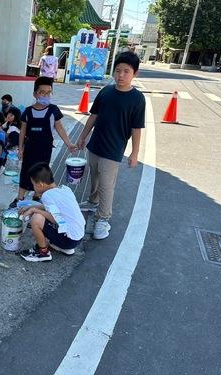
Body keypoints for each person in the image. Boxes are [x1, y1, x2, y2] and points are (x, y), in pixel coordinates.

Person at [76, 51, 145, 240]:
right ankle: (92, 201)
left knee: (107, 185)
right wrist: (83, 136)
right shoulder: (106, 91)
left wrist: (134, 153)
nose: (121, 75)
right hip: (95, 145)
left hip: (114, 150)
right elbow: (94, 116)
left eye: (126, 71)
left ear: (134, 74)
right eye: (117, 71)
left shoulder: (137, 99)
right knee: (95, 177)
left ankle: (103, 219)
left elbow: (136, 128)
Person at [9, 76, 77, 208]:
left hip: (45, 149)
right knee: (25, 172)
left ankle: (37, 197)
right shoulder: (28, 111)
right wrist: (21, 148)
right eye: (42, 92)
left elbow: (60, 128)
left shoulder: (53, 110)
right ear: (35, 94)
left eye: (48, 92)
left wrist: (69, 144)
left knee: (41, 173)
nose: (46, 95)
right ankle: (19, 198)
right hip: (30, 149)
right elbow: (22, 131)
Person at [18, 163, 85, 262]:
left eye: (33, 185)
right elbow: (52, 209)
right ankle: (65, 248)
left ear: (40, 184)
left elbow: (55, 219)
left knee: (36, 218)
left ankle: (43, 253)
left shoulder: (47, 196)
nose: (33, 188)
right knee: (40, 213)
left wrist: (34, 210)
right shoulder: (65, 189)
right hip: (77, 237)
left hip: (68, 240)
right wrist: (32, 206)